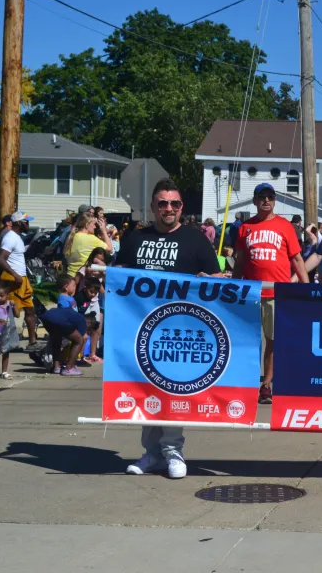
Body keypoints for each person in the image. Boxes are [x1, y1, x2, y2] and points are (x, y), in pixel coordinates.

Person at [116, 178, 222, 479]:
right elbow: (120, 275)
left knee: (172, 392)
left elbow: (215, 278)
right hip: (140, 330)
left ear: (181, 207)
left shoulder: (195, 239)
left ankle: (173, 451)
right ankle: (152, 453)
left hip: (179, 332)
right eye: (163, 203)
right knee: (146, 390)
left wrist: (209, 279)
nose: (169, 208)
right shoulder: (135, 238)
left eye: (174, 203)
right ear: (152, 206)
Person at [232, 183, 308, 406]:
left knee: (273, 342)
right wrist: (235, 288)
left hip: (277, 293)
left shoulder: (285, 227)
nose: (266, 200)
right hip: (252, 292)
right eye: (261, 197)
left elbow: (297, 259)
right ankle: (246, 383)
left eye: (270, 197)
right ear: (255, 201)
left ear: (275, 201)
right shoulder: (245, 227)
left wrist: (307, 287)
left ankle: (266, 385)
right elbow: (240, 261)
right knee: (250, 341)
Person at [0, 212, 41, 349]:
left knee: (30, 310)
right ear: (18, 223)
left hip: (22, 278)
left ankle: (32, 342)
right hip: (14, 279)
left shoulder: (17, 237)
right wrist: (15, 275)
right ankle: (5, 343)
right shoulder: (10, 238)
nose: (28, 224)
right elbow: (1, 259)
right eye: (25, 221)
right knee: (10, 313)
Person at [39, 306, 97, 377]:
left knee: (57, 339)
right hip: (58, 319)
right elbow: (77, 341)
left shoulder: (74, 315)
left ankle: (56, 367)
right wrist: (74, 359)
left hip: (46, 317)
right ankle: (69, 368)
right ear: (89, 323)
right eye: (89, 329)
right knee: (79, 341)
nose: (87, 330)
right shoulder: (82, 320)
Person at [0, 283, 20, 380]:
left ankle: (4, 371)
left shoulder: (9, 305)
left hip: (7, 334)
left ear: (7, 295)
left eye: (1, 296)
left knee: (6, 353)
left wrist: (15, 305)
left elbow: (17, 315)